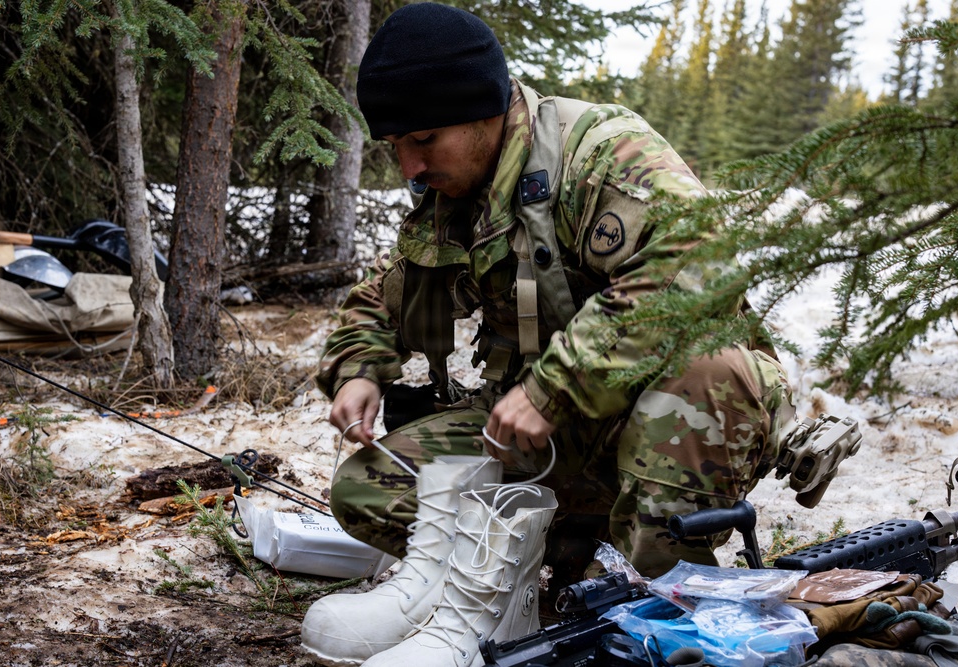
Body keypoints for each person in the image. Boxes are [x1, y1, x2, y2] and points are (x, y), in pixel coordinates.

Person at [301, 3, 799, 666]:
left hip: (668, 424)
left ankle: (660, 597)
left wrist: (554, 388)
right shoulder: (453, 198)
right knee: (368, 486)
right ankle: (509, 589)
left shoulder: (601, 153)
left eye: (423, 140)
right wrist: (359, 368)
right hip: (550, 434)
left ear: (483, 110)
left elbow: (699, 266)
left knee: (710, 368)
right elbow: (383, 296)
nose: (409, 168)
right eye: (396, 146)